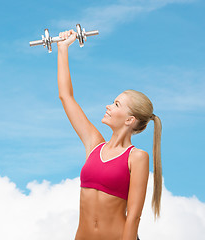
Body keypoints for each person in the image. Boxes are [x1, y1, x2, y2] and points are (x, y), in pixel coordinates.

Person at [56, 30, 162, 240]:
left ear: (129, 120)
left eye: (116, 104)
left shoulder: (137, 157)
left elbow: (133, 216)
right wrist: (63, 49)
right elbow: (66, 97)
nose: (108, 106)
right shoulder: (94, 144)